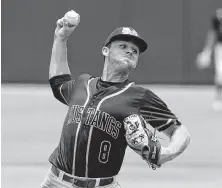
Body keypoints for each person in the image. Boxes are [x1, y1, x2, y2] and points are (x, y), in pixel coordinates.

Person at [41, 10, 191, 188]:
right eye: (123, 46)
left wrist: (166, 153)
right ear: (105, 50)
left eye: (134, 51)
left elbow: (180, 132)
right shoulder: (83, 83)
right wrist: (61, 39)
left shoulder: (138, 96)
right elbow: (58, 83)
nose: (130, 51)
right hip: (56, 182)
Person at [196, 8, 222, 111]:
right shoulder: (219, 15)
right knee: (220, 75)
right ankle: (218, 99)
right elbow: (213, 33)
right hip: (220, 47)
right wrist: (207, 51)